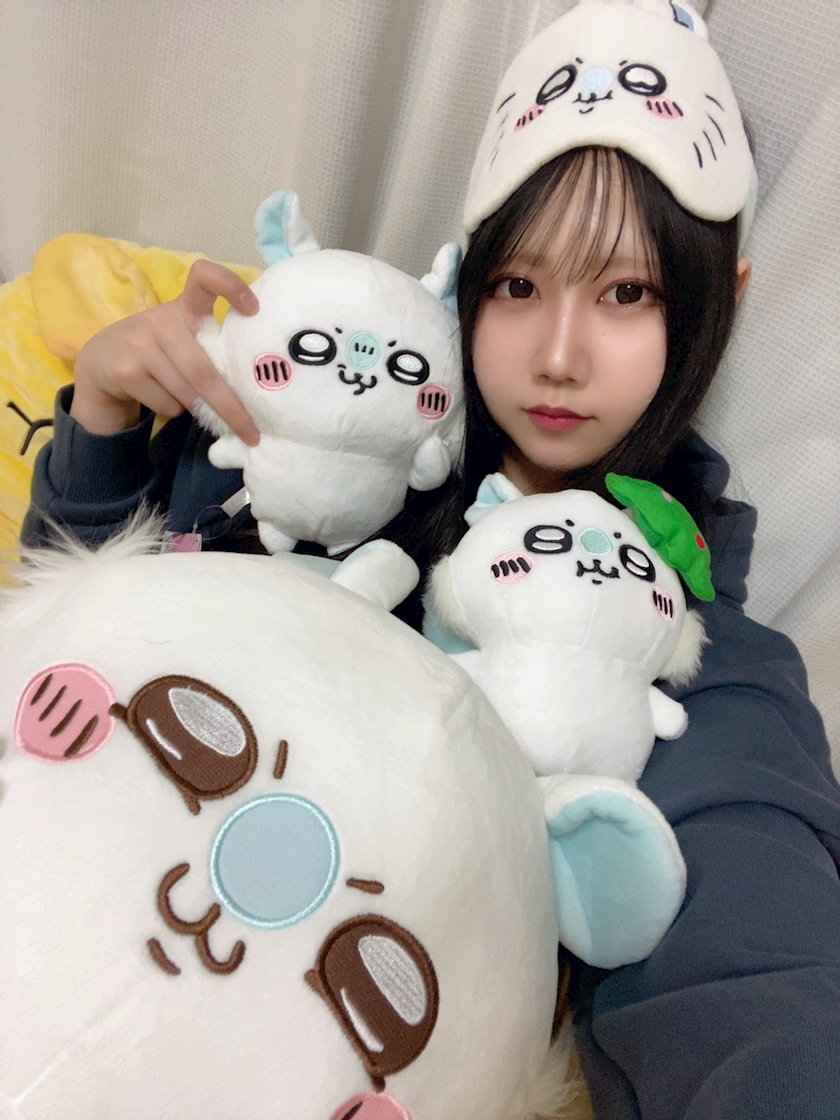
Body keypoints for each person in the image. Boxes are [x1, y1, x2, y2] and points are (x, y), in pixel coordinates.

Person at [22, 0, 840, 1116]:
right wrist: (106, 412)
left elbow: (757, 974)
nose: (559, 356)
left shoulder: (692, 652)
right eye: (519, 286)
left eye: (628, 293)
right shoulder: (332, 435)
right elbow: (69, 629)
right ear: (469, 281)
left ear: (721, 301)